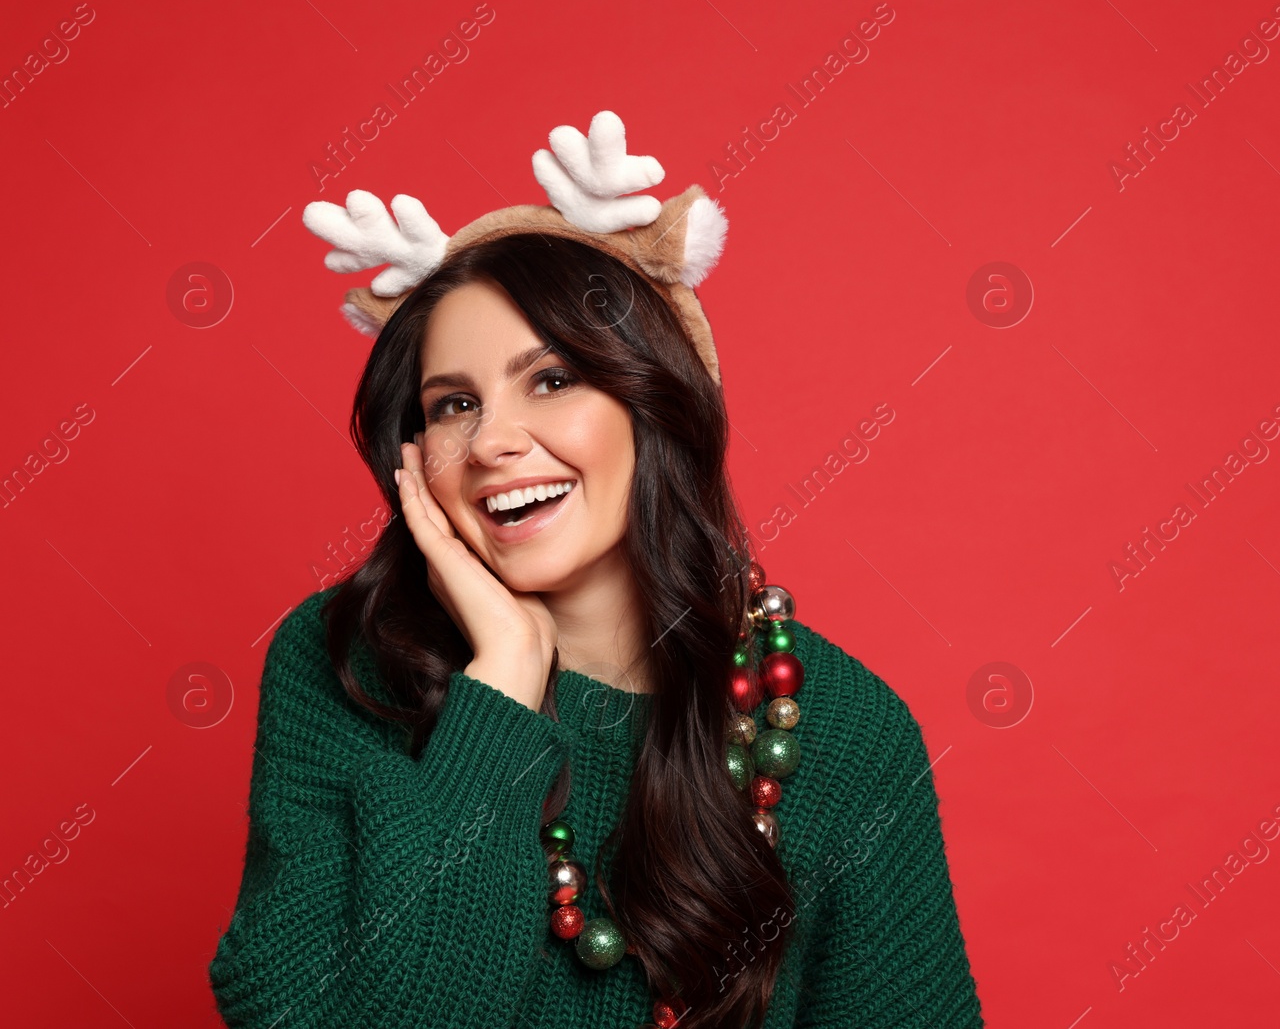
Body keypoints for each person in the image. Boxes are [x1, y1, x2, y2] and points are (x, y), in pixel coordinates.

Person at [207, 112, 984, 1029]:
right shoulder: (342, 663)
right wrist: (499, 682)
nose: (492, 441)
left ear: (654, 405)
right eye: (454, 403)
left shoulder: (839, 729)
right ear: (416, 454)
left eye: (552, 379)